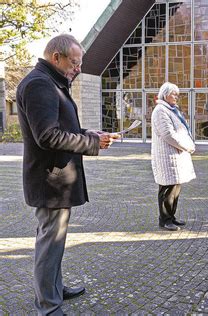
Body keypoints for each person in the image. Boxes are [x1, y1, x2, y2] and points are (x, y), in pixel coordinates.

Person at [15, 34, 119, 315]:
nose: (78, 68)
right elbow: (47, 136)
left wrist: (89, 134)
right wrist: (92, 144)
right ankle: (48, 305)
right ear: (56, 57)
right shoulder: (40, 84)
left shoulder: (50, 82)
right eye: (74, 62)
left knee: (53, 242)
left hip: (55, 181)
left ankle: (54, 289)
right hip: (50, 181)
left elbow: (61, 128)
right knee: (50, 243)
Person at [151, 82, 196, 231]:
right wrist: (187, 146)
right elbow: (168, 135)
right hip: (167, 156)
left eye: (177, 94)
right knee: (167, 190)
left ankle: (172, 217)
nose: (176, 97)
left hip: (175, 156)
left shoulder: (171, 109)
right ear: (165, 95)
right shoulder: (160, 111)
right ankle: (165, 220)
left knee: (175, 189)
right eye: (173, 94)